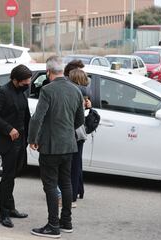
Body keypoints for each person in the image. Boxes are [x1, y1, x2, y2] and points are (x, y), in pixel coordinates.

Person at [28, 56, 85, 238]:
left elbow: (37, 118)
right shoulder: (75, 90)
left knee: (51, 185)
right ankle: (66, 222)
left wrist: (32, 138)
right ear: (62, 71)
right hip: (69, 144)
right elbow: (80, 120)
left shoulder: (47, 90)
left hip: (51, 146)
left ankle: (53, 226)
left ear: (48, 72)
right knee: (66, 183)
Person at [0, 64, 31, 228]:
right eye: (25, 81)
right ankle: (4, 214)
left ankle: (11, 208)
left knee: (12, 176)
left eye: (28, 81)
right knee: (7, 178)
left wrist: (32, 136)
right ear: (15, 79)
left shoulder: (21, 92)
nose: (28, 84)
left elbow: (26, 116)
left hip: (20, 141)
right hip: (7, 141)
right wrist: (8, 128)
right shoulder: (2, 93)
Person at [67, 68, 92, 207]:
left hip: (74, 132)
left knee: (71, 166)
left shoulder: (75, 91)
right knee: (77, 164)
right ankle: (79, 190)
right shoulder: (85, 92)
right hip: (81, 134)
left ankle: (72, 195)